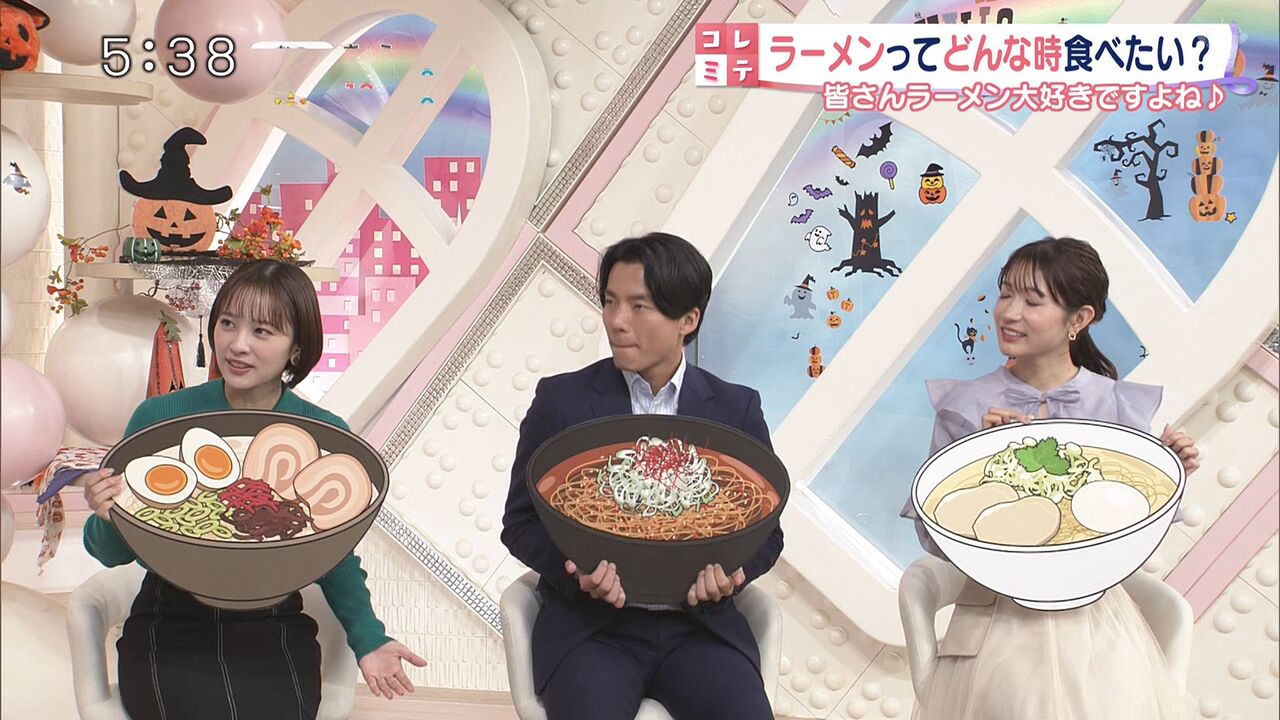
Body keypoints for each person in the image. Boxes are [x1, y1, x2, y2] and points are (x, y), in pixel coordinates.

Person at [80, 260, 426, 720]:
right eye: (227, 323)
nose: (238, 345)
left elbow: (334, 553)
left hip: (274, 624)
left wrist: (370, 639)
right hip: (169, 622)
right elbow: (109, 553)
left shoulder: (322, 432)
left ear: (296, 347)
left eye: (262, 331)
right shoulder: (158, 418)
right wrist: (106, 514)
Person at [900, 237, 1199, 720]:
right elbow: (936, 541)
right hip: (994, 621)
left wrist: (1165, 472)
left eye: (1032, 301)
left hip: (1095, 627)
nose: (1009, 312)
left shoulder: (1116, 406)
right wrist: (977, 465)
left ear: (1079, 319)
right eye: (1006, 294)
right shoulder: (965, 406)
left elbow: (1133, 537)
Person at [501, 233, 781, 720]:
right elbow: (520, 523)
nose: (616, 320)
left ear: (687, 320)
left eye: (638, 306)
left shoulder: (736, 409)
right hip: (593, 633)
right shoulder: (561, 401)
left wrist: (734, 576)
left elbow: (767, 533)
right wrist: (577, 574)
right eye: (610, 302)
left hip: (700, 632)